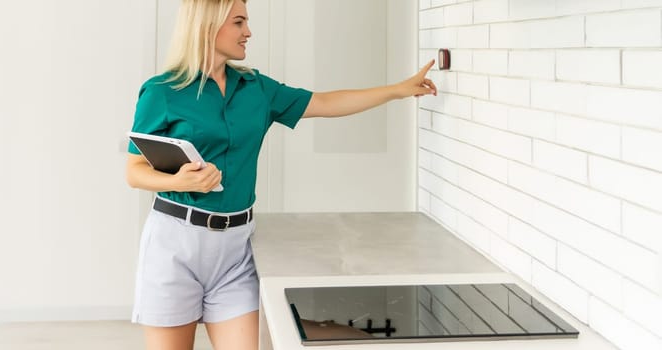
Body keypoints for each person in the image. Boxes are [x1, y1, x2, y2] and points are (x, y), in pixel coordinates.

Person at [125, 0, 437, 349]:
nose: (248, 32)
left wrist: (397, 90)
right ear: (207, 25)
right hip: (175, 245)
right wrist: (178, 181)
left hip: (236, 249)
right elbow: (135, 171)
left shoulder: (255, 88)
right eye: (239, 22)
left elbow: (324, 103)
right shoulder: (162, 91)